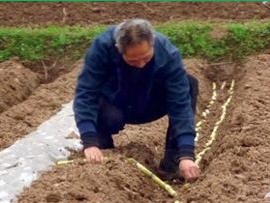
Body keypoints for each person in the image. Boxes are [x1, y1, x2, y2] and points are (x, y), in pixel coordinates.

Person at [73, 19, 200, 182]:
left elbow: (180, 104)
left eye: (146, 59)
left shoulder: (167, 53)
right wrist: (89, 141)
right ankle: (103, 150)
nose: (140, 65)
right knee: (96, 101)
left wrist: (186, 153)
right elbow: (86, 94)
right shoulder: (102, 48)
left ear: (153, 44)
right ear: (119, 50)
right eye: (133, 60)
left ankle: (172, 162)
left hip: (150, 104)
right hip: (115, 105)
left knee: (189, 84)